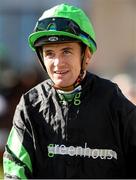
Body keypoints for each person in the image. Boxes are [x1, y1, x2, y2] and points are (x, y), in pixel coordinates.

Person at [3, 3, 136, 179]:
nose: (58, 63)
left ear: (86, 54)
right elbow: (15, 170)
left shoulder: (114, 102)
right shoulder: (30, 105)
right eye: (50, 53)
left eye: (66, 51)